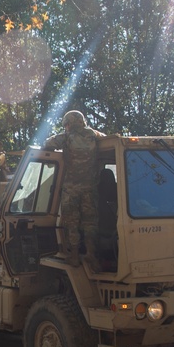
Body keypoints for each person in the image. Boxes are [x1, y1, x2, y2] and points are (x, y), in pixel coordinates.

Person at [43, 110, 106, 270]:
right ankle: (92, 254)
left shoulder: (66, 137)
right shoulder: (93, 134)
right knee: (91, 222)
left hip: (71, 189)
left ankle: (74, 255)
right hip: (89, 188)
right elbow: (107, 140)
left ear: (69, 124)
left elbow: (48, 144)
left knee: (71, 222)